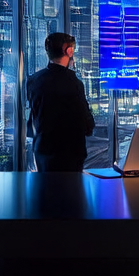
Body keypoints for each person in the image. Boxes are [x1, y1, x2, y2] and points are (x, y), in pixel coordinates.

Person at [26, 32, 96, 172]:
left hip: (43, 151)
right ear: (69, 51)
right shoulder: (74, 84)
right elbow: (85, 120)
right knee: (71, 192)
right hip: (70, 153)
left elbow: (34, 117)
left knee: (45, 191)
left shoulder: (33, 81)